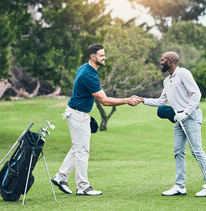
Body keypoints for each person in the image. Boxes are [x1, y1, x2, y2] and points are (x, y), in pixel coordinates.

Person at [51, 43, 140, 196]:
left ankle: (60, 177)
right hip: (77, 115)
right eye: (101, 55)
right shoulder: (89, 74)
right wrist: (127, 100)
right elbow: (104, 101)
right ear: (93, 57)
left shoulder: (85, 68)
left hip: (78, 113)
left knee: (76, 148)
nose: (105, 58)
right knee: (82, 151)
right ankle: (83, 187)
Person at [135, 51, 206, 197]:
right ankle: (180, 186)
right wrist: (142, 99)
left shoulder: (183, 73)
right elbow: (161, 101)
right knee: (178, 151)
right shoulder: (167, 80)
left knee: (196, 150)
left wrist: (186, 113)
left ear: (170, 61)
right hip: (178, 118)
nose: (160, 62)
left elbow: (196, 94)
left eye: (162, 60)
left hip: (190, 116)